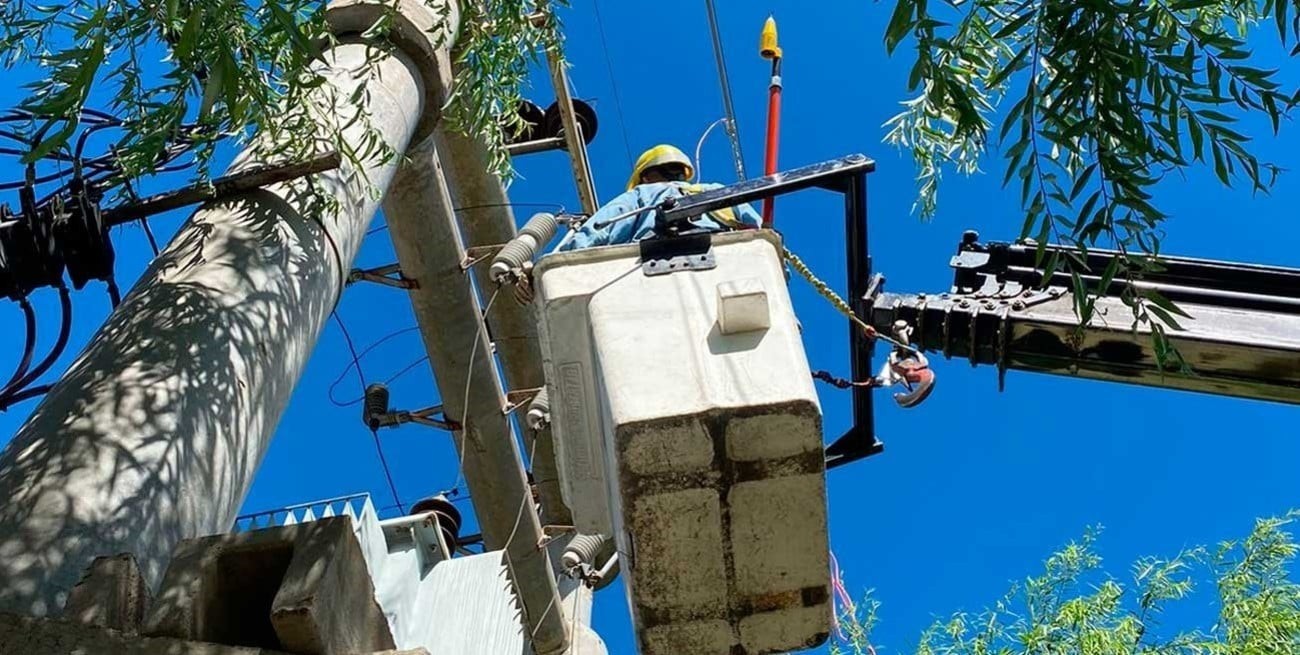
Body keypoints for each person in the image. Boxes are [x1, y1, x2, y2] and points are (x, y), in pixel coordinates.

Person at [558, 144, 761, 251]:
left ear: (645, 176)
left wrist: (553, 268)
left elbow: (599, 230)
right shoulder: (716, 191)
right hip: (731, 268)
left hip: (649, 270)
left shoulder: (641, 194)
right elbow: (763, 235)